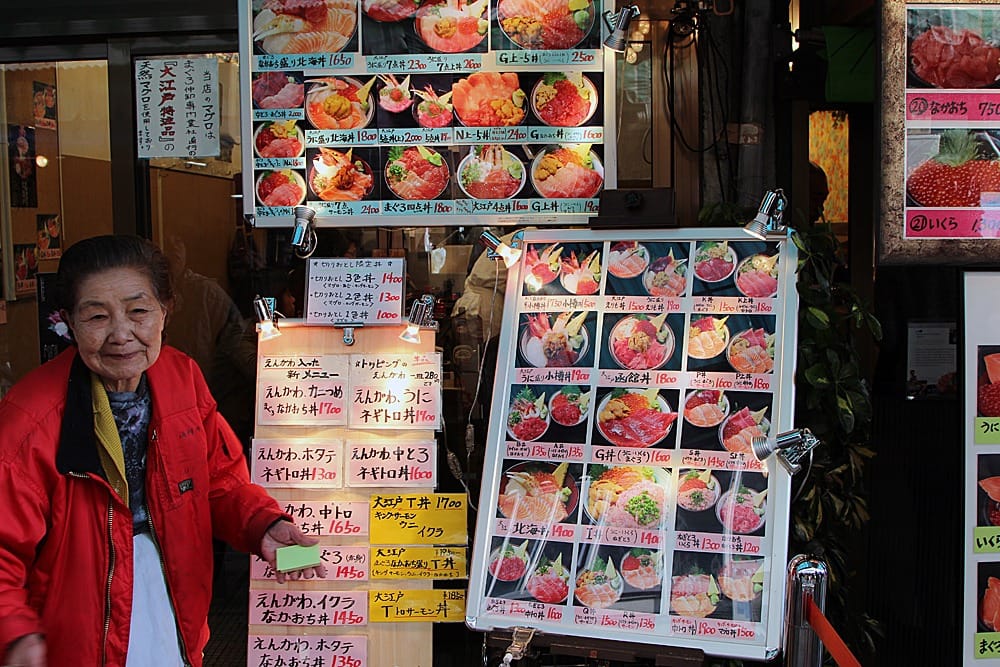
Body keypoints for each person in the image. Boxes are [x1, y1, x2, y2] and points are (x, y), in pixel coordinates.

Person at [0, 235, 326, 667]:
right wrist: (14, 632)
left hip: (173, 597)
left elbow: (221, 481)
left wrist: (262, 524)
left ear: (165, 311)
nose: (122, 334)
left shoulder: (180, 377)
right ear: (68, 322)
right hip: (71, 628)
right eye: (97, 315)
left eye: (139, 312)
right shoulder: (30, 418)